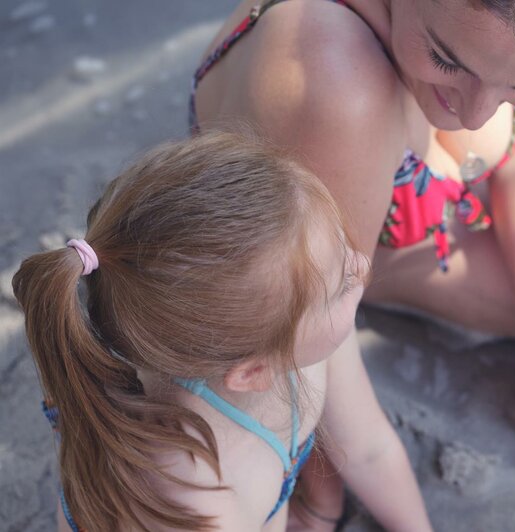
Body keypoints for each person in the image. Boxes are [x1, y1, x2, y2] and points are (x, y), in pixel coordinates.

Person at [190, 0, 515, 524]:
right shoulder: (340, 89)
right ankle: (383, 275)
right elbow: (313, 327)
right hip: (335, 157)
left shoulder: (508, 38)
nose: (478, 113)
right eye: (446, 59)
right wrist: (318, 486)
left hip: (455, 63)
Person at [14, 131, 432, 532]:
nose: (361, 266)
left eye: (343, 249)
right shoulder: (190, 490)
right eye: (341, 285)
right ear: (252, 373)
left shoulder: (297, 337)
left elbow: (370, 450)